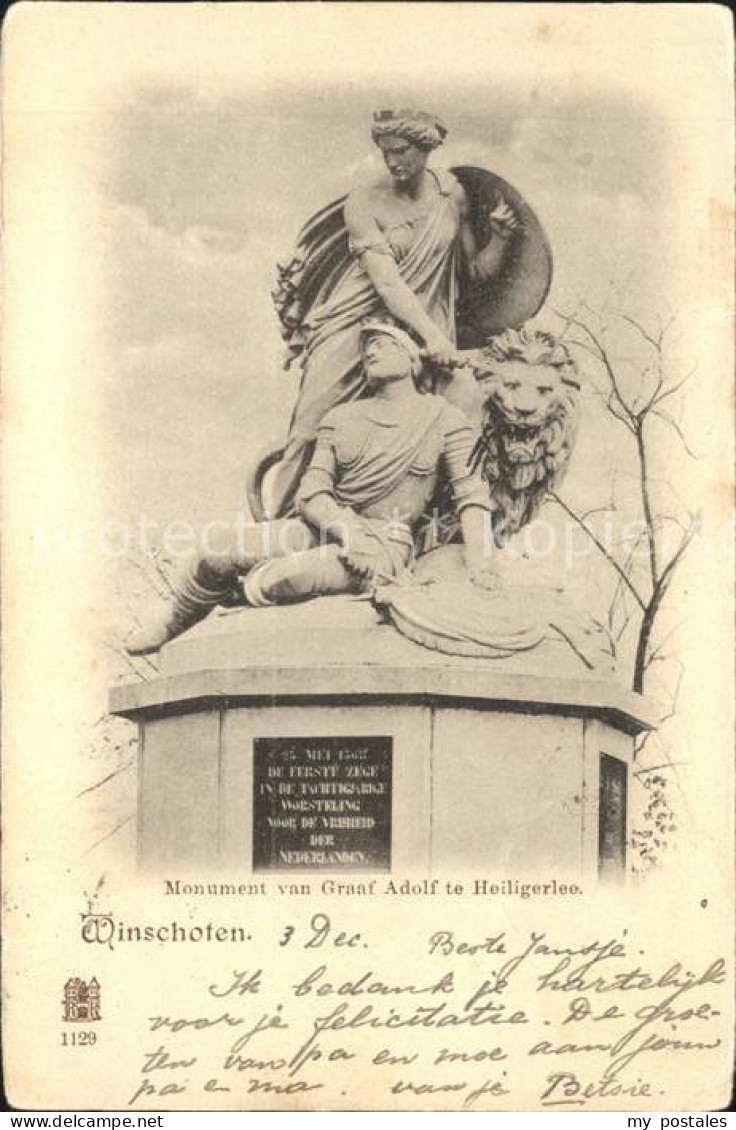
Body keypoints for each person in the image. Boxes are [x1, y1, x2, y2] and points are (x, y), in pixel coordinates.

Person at [126, 321, 495, 655]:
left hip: (385, 543)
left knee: (290, 576)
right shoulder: (340, 418)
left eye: (384, 343)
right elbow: (312, 492)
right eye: (367, 347)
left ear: (413, 359)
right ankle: (176, 623)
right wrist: (348, 531)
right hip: (324, 529)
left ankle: (243, 594)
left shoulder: (444, 420)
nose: (371, 351)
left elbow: (472, 495)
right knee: (216, 550)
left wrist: (480, 564)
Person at [268, 108, 518, 516]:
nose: (393, 161)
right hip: (357, 322)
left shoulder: (451, 195)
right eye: (385, 153)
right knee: (311, 425)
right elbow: (387, 283)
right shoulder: (364, 202)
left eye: (401, 151)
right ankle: (279, 523)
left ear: (425, 148)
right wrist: (432, 337)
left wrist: (502, 241)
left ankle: (444, 527)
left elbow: (472, 273)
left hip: (429, 327)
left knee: (464, 404)